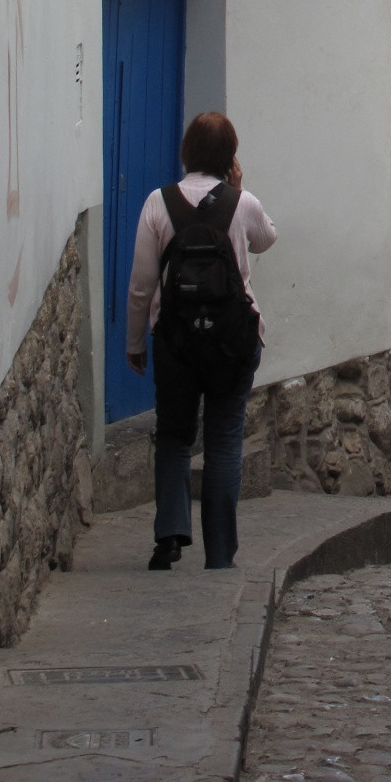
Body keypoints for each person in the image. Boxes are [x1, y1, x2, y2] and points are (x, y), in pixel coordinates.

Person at [127, 111, 276, 572]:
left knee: (173, 434)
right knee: (225, 437)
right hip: (231, 341)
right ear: (229, 156)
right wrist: (239, 184)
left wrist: (136, 343)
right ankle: (219, 552)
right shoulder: (242, 203)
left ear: (186, 151)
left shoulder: (158, 202)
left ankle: (169, 536)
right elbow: (267, 239)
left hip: (176, 341)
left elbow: (140, 287)